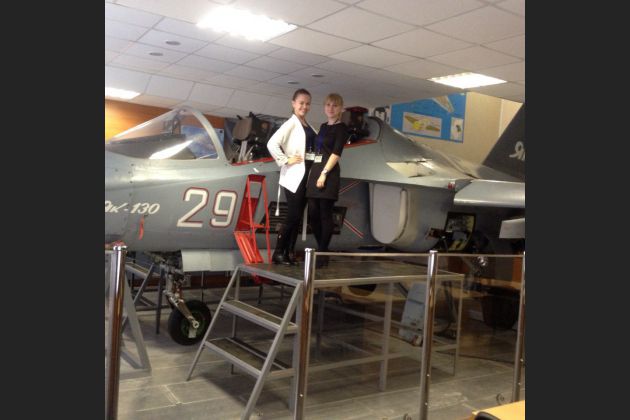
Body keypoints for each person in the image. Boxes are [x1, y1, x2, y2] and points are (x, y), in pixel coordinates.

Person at [267, 89, 318, 265]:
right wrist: (285, 160)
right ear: (293, 103)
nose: (304, 106)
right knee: (293, 215)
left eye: (307, 103)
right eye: (301, 103)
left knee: (298, 217)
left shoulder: (308, 125)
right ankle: (278, 252)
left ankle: (289, 252)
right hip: (294, 176)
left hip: (306, 177)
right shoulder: (291, 123)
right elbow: (272, 143)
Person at [306, 93, 348, 267]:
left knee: (325, 213)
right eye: (328, 105)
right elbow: (317, 151)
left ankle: (322, 253)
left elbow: (336, 153)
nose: (331, 108)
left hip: (328, 172)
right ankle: (323, 251)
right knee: (313, 213)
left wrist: (324, 173)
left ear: (341, 109)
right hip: (316, 169)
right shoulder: (323, 126)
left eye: (335, 105)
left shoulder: (342, 128)